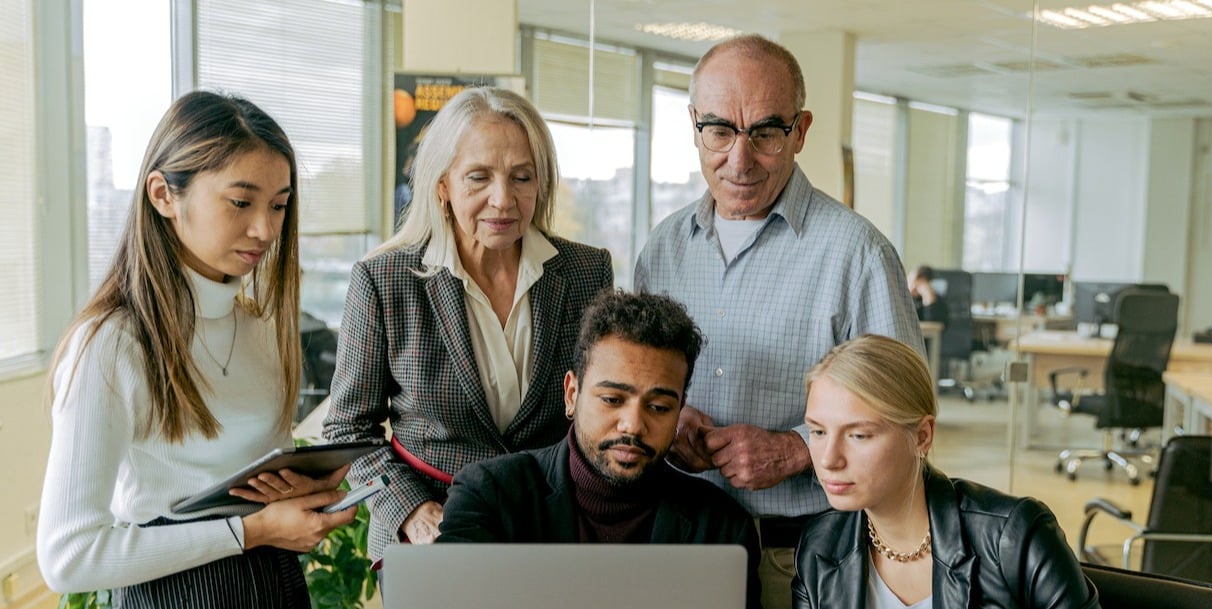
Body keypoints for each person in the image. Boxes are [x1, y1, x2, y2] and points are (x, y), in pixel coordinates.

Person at [633, 34, 923, 607]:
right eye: (719, 130)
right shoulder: (663, 248)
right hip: (680, 544)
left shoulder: (858, 254)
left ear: (801, 130)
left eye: (765, 132)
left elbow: (909, 423)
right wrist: (667, 419)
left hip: (803, 556)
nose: (739, 160)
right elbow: (636, 386)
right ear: (694, 125)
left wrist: (796, 450)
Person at [37, 91, 355, 607]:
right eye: (240, 202)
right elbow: (68, 556)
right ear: (164, 195)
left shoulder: (261, 328)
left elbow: (247, 480)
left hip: (275, 585)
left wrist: (301, 490)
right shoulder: (111, 345)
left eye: (278, 206)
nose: (266, 229)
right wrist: (248, 532)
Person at [323, 86, 614, 567]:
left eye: (522, 177)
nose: (503, 200)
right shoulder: (385, 280)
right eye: (478, 178)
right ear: (442, 185)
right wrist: (412, 510)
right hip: (432, 533)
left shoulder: (587, 273)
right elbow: (347, 429)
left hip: (548, 528)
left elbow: (596, 406)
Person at [437, 290, 761, 608]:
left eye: (659, 407)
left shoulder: (720, 528)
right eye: (612, 400)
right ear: (571, 394)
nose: (633, 425)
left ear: (680, 410)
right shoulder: (489, 494)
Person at [793, 334, 1099, 609]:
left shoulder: (1014, 538)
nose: (829, 459)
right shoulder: (820, 547)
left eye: (858, 435)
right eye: (818, 432)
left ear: (922, 437)